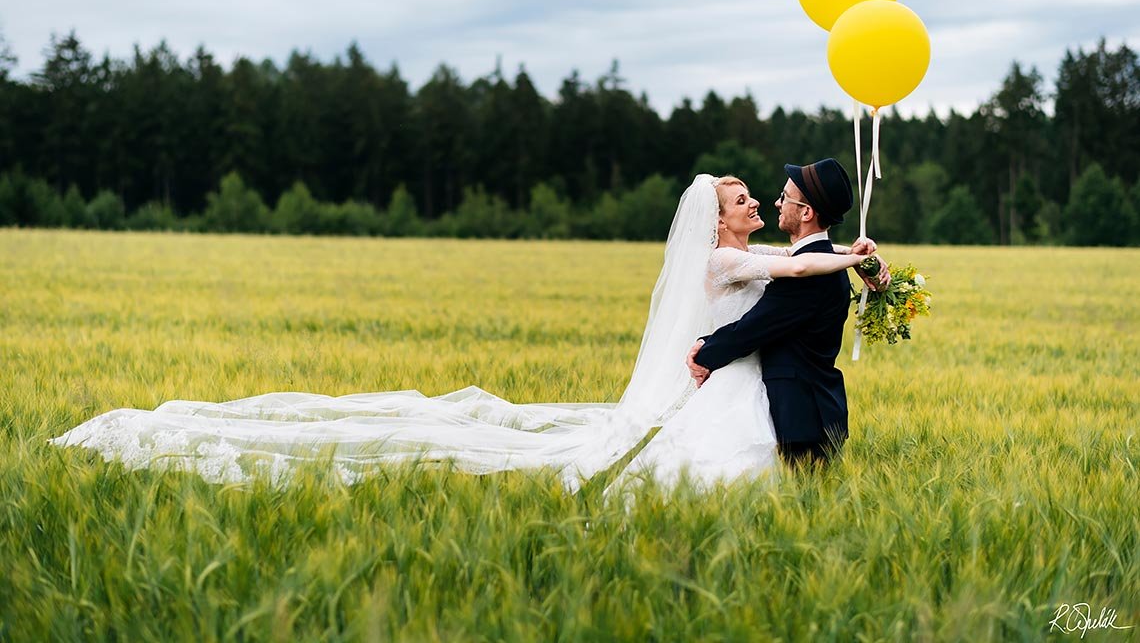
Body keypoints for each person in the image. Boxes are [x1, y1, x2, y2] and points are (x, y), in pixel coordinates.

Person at [50, 171, 878, 491]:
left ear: (800, 209)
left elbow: (788, 267)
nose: (756, 204)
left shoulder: (761, 252)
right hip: (723, 377)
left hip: (727, 378)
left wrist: (856, 263)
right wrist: (851, 259)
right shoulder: (736, 262)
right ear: (720, 218)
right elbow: (792, 272)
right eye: (742, 199)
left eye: (761, 197)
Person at [686, 158, 884, 469]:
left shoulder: (807, 276)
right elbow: (795, 258)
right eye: (741, 200)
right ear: (720, 221)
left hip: (799, 417)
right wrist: (860, 256)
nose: (775, 202)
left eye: (785, 196)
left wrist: (703, 351)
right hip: (801, 409)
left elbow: (754, 328)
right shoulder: (745, 259)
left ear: (806, 212)